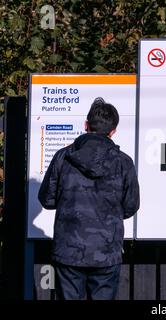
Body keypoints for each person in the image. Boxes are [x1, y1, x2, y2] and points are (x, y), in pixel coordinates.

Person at [38, 97, 140, 300]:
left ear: (86, 125)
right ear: (113, 131)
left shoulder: (63, 156)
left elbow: (47, 200)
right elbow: (130, 206)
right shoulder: (124, 162)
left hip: (68, 251)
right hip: (106, 251)